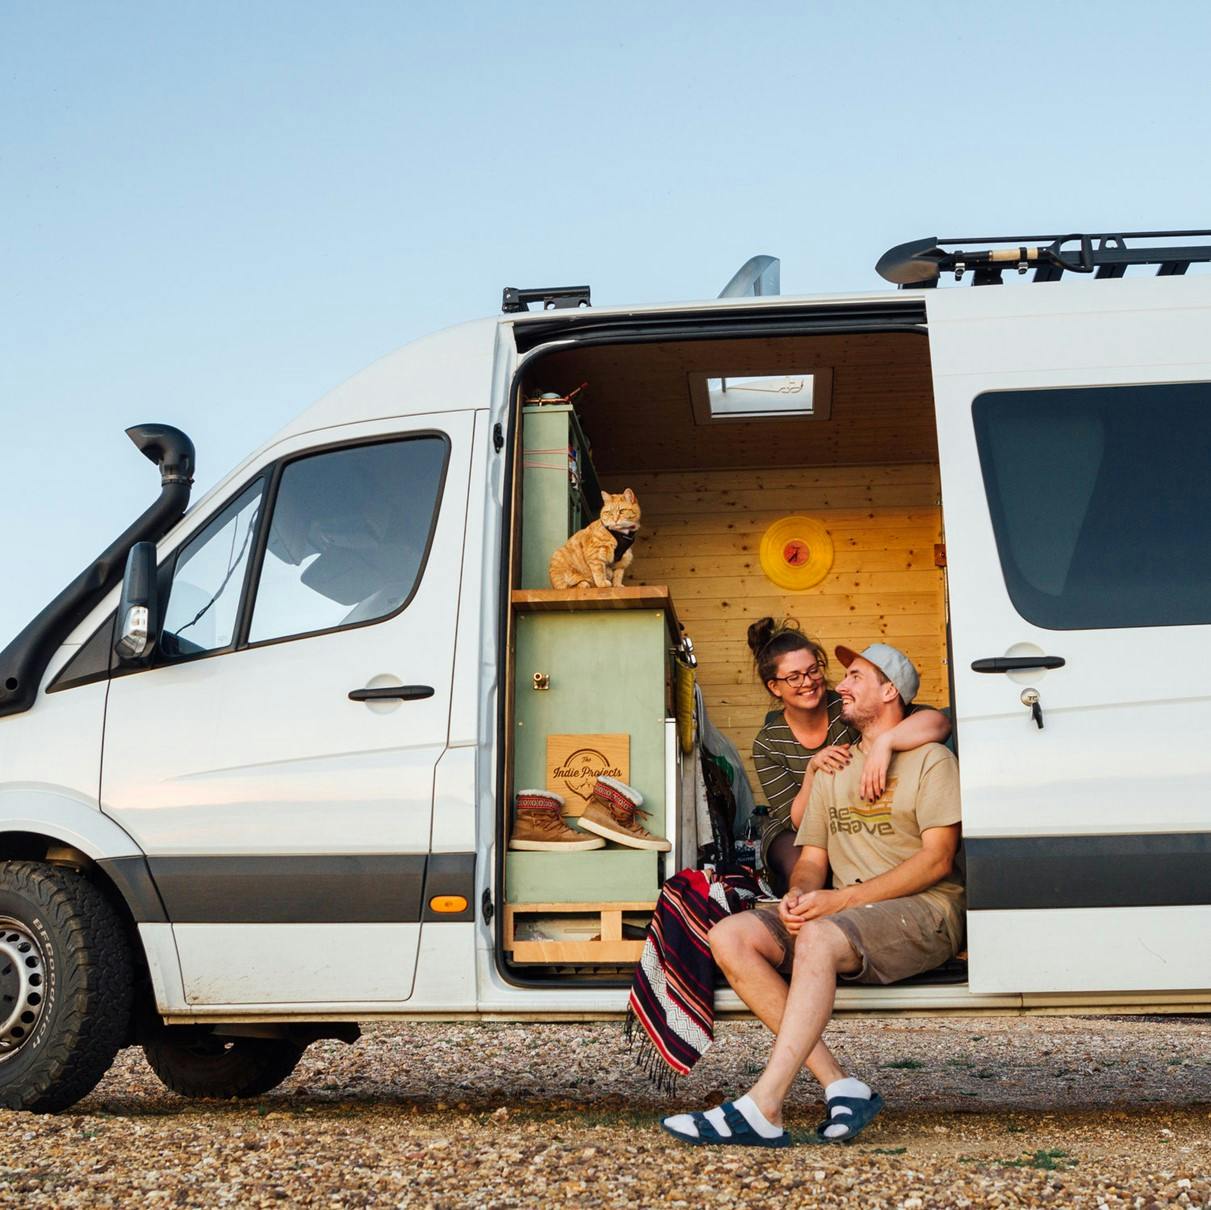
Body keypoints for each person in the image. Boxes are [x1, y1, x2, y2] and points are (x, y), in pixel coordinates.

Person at [662, 642, 963, 1148]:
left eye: (854, 678)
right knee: (731, 936)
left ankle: (764, 1104)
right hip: (848, 915)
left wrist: (837, 903)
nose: (837, 686)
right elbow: (812, 859)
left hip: (925, 912)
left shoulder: (931, 760)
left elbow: (937, 861)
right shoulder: (832, 767)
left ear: (889, 691)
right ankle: (841, 1085)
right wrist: (798, 893)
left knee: (819, 937)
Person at [747, 618, 951, 893]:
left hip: (853, 816)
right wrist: (812, 772)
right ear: (775, 687)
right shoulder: (768, 742)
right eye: (794, 677)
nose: (808, 682)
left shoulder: (849, 708)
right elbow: (797, 822)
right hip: (796, 827)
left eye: (813, 670)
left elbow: (938, 722)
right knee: (800, 861)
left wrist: (885, 743)